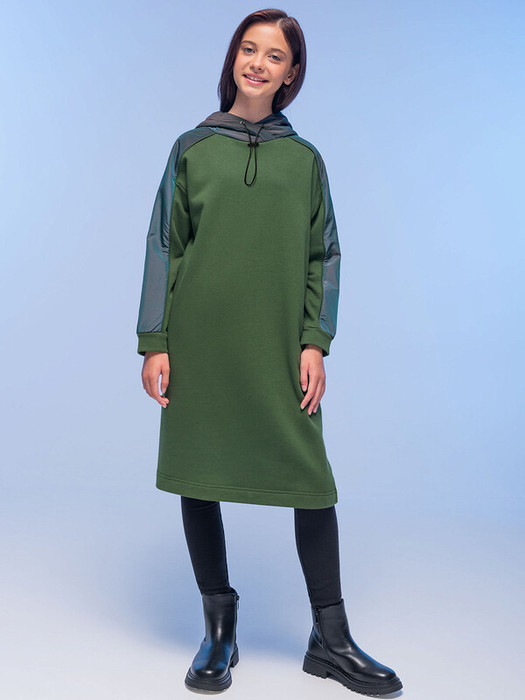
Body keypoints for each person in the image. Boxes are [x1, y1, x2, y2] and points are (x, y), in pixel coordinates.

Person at [136, 8, 402, 696]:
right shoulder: (192, 148)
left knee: (310, 481)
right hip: (199, 341)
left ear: (291, 72)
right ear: (233, 58)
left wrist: (316, 340)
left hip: (278, 343)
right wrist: (154, 341)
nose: (257, 63)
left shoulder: (304, 160)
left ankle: (331, 639)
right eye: (248, 49)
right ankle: (219, 630)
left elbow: (324, 254)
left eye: (274, 55)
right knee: (199, 474)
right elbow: (164, 245)